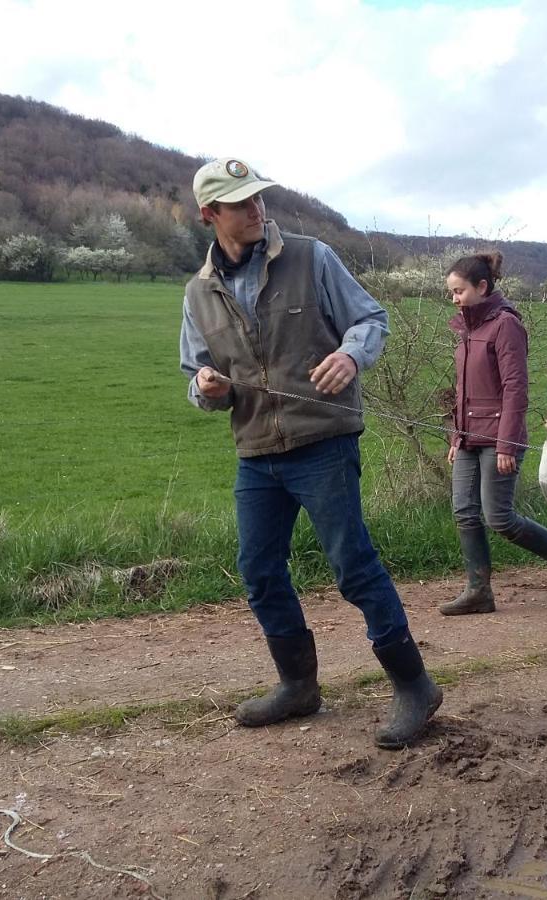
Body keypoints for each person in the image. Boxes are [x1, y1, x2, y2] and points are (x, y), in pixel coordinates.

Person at [179, 157, 442, 749]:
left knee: (353, 567)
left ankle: (415, 685)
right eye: (241, 202)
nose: (257, 209)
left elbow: (370, 319)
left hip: (323, 442)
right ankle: (298, 685)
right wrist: (207, 388)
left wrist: (351, 355)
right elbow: (197, 380)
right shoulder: (198, 293)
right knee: (259, 571)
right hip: (256, 453)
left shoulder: (312, 256)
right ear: (210, 215)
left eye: (259, 198)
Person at [443, 251, 547, 615]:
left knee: (499, 518)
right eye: (451, 293)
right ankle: (478, 591)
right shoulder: (467, 328)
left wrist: (507, 442)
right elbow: (463, 389)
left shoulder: (505, 324)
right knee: (464, 512)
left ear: (482, 286)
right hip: (467, 438)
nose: (455, 299)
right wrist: (455, 436)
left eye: (459, 291)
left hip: (499, 439)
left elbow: (515, 388)